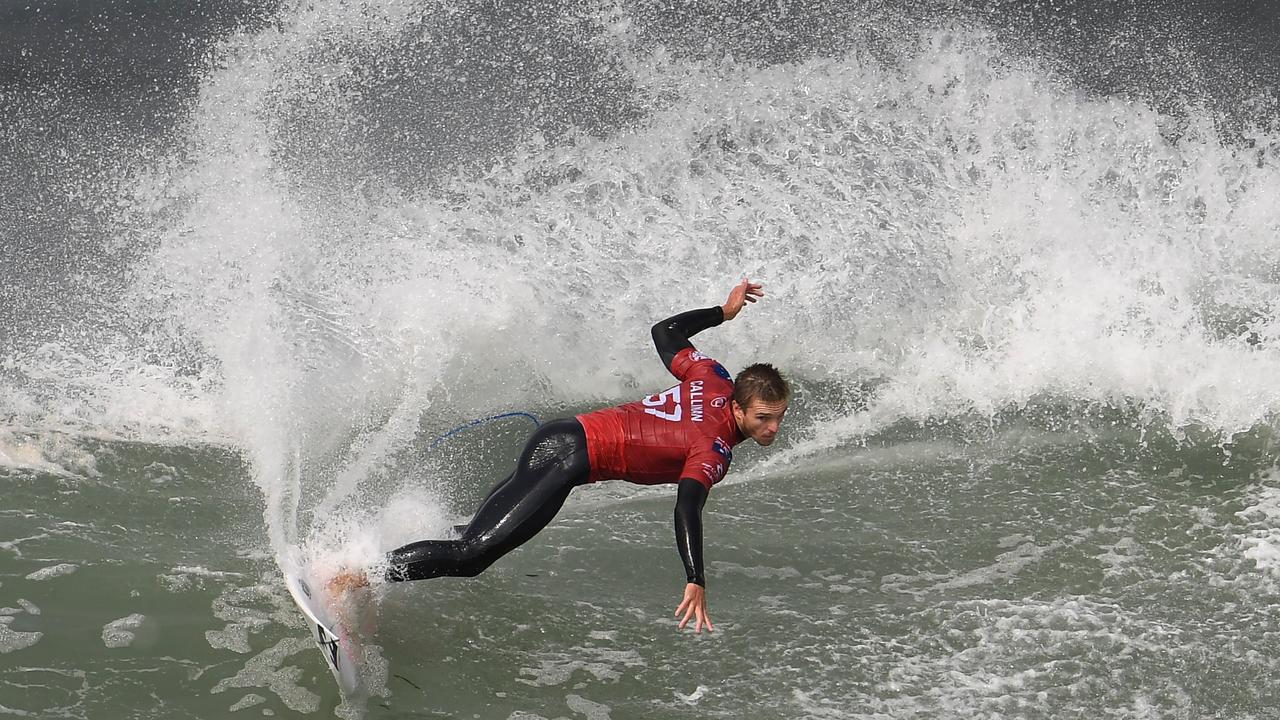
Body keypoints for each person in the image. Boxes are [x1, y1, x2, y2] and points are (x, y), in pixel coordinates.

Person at [335, 279, 790, 633]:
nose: (772, 428)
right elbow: (688, 504)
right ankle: (352, 578)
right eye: (764, 417)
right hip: (569, 458)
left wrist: (724, 312)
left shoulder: (712, 376)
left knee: (474, 532)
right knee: (472, 556)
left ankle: (379, 556)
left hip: (561, 435)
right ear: (737, 406)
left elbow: (666, 331)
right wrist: (696, 577)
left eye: (779, 417)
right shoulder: (712, 447)